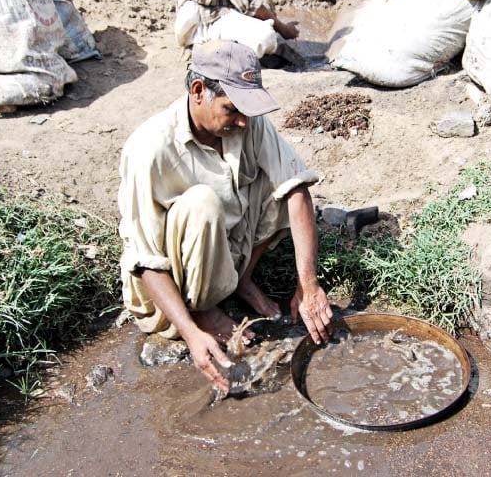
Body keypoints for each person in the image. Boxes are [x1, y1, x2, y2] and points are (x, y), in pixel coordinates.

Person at [117, 40, 332, 391]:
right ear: (198, 91)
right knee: (202, 201)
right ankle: (203, 308)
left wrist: (308, 286)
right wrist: (190, 334)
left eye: (247, 110)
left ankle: (241, 281)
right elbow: (145, 262)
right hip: (175, 278)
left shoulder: (246, 124)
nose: (244, 121)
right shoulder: (149, 149)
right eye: (232, 109)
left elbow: (296, 189)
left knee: (282, 182)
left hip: (227, 250)